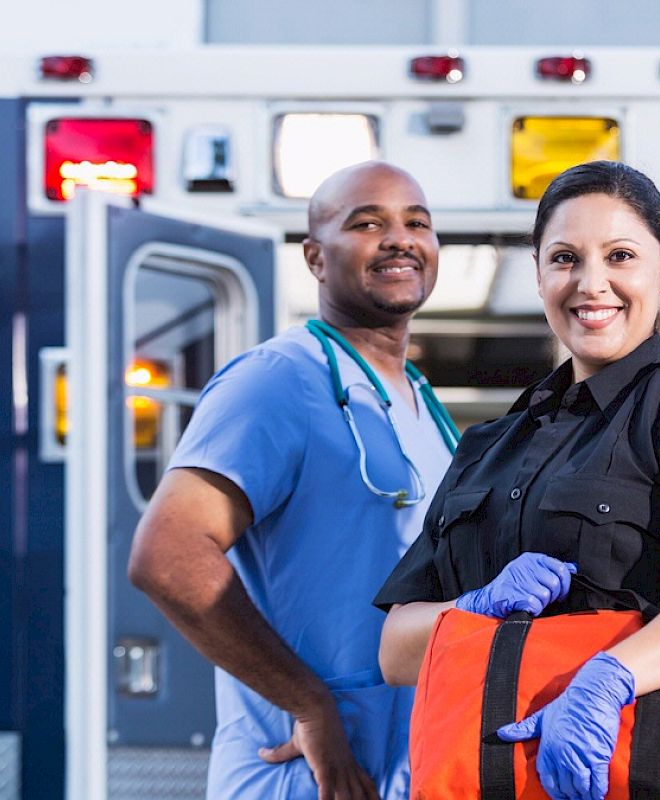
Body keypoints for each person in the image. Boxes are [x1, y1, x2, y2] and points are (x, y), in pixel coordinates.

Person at [374, 160, 660, 800]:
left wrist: (611, 677)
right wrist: (471, 610)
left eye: (620, 255)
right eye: (566, 258)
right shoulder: (489, 446)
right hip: (494, 780)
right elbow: (396, 649)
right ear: (539, 274)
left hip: (639, 770)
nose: (592, 284)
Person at [128, 160, 455, 800]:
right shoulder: (280, 379)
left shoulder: (420, 402)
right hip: (298, 775)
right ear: (314, 256)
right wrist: (309, 706)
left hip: (400, 773)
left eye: (417, 222)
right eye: (367, 223)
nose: (400, 238)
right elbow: (166, 554)